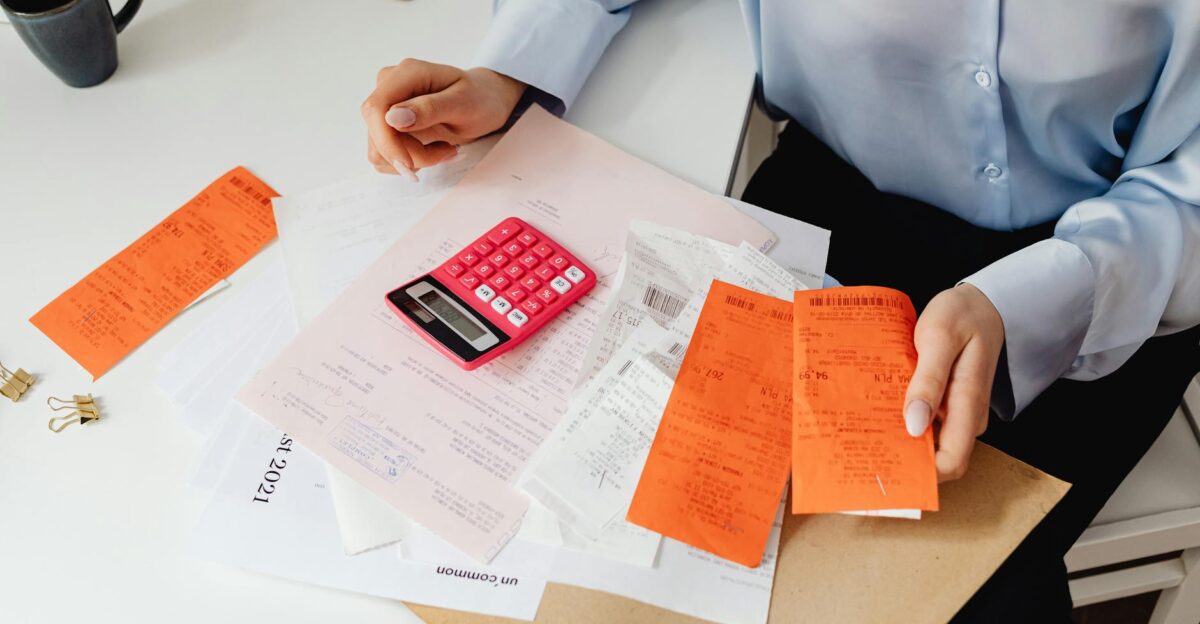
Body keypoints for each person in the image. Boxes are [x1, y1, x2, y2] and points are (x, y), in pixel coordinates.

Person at [361, 2, 1200, 620]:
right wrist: (511, 72)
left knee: (946, 599)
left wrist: (1027, 304)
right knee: (632, 561)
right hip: (829, 209)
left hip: (1116, 265)